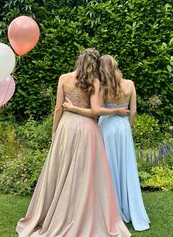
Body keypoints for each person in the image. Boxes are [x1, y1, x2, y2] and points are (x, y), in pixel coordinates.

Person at [16, 49, 131, 237]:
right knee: (86, 175)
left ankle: (58, 214)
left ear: (79, 60)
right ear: (95, 64)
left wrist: (55, 131)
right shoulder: (95, 81)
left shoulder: (63, 78)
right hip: (88, 131)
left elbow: (57, 108)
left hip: (66, 127)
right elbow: (95, 112)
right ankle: (82, 213)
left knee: (61, 170)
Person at [63, 54, 150, 232]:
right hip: (124, 128)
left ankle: (111, 210)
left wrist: (73, 109)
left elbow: (97, 111)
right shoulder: (130, 84)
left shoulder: (102, 87)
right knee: (125, 168)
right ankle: (130, 209)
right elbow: (133, 111)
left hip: (107, 128)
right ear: (116, 66)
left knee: (106, 169)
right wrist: (127, 126)